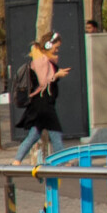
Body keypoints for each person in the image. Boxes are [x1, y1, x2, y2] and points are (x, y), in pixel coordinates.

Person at [11, 36, 68, 164]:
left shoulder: (44, 61)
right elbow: (44, 81)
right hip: (43, 104)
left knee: (34, 135)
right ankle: (64, 161)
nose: (57, 50)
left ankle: (17, 161)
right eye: (56, 47)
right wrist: (57, 75)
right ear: (48, 45)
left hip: (40, 105)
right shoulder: (41, 61)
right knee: (56, 133)